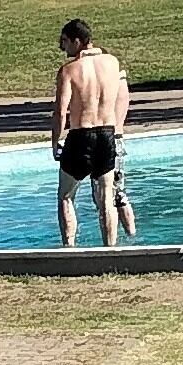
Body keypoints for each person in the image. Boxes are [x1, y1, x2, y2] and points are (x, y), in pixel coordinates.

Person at [52, 18, 125, 247]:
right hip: (107, 134)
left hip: (81, 135)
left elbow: (60, 111)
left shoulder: (69, 70)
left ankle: (69, 248)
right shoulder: (112, 63)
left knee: (65, 195)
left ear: (77, 41)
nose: (62, 48)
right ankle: (110, 249)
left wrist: (55, 142)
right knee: (106, 198)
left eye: (65, 42)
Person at [112, 67, 137, 238]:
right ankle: (131, 235)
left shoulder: (110, 85)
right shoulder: (121, 84)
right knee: (119, 193)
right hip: (118, 139)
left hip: (107, 139)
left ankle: (111, 243)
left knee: (108, 198)